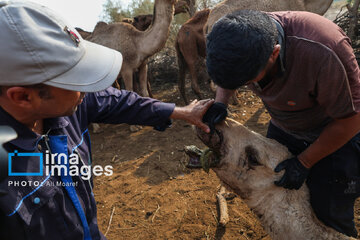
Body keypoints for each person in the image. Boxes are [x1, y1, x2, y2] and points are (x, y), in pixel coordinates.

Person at [0, 1, 213, 239]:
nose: (87, 88)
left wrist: (180, 112)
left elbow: (117, 101)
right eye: (75, 79)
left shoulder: (68, 106)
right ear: (22, 97)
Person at [203, 9, 360, 237]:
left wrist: (305, 162)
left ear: (274, 54)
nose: (246, 86)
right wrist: (221, 103)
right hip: (285, 125)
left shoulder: (323, 49)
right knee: (284, 203)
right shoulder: (240, 36)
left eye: (246, 81)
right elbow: (231, 72)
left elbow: (352, 119)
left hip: (336, 136)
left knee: (329, 216)